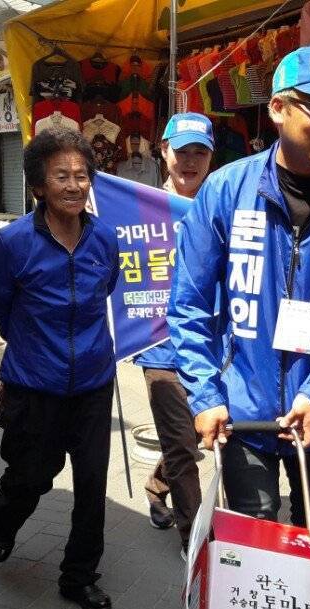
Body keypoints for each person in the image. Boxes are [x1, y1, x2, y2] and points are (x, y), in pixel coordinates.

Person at [168, 46, 310, 533]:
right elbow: (189, 305)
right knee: (253, 542)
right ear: (277, 108)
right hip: (242, 415)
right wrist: (207, 394)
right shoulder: (225, 191)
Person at [0, 127, 118, 609]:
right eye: (61, 175)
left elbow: (106, 290)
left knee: (91, 484)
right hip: (33, 384)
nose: (74, 185)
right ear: (38, 186)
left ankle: (79, 576)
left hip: (94, 383)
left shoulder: (104, 237)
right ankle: (4, 517)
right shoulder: (11, 243)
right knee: (33, 475)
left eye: (82, 176)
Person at [134, 113, 215, 558]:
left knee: (199, 436)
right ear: (163, 151)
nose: (189, 161)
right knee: (184, 446)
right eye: (181, 151)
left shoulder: (221, 204)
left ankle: (156, 485)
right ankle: (195, 539)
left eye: (198, 152)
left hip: (212, 345)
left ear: (210, 157)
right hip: (160, 346)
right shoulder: (138, 207)